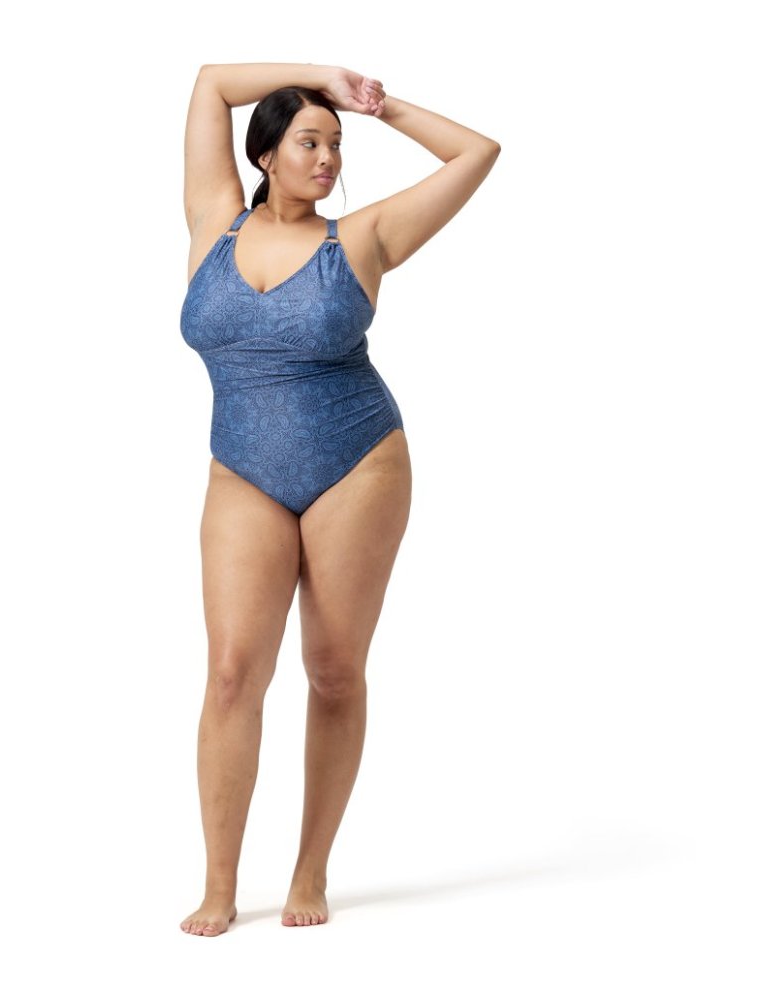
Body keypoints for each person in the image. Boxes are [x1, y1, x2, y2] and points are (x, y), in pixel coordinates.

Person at [178, 63, 500, 936]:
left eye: (335, 145)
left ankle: (310, 869)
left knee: (332, 669)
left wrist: (382, 107)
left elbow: (478, 152)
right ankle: (218, 885)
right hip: (242, 469)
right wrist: (320, 76)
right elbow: (210, 83)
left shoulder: (361, 237)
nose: (327, 159)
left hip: (356, 463)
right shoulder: (213, 218)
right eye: (309, 143)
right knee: (232, 673)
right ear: (266, 155)